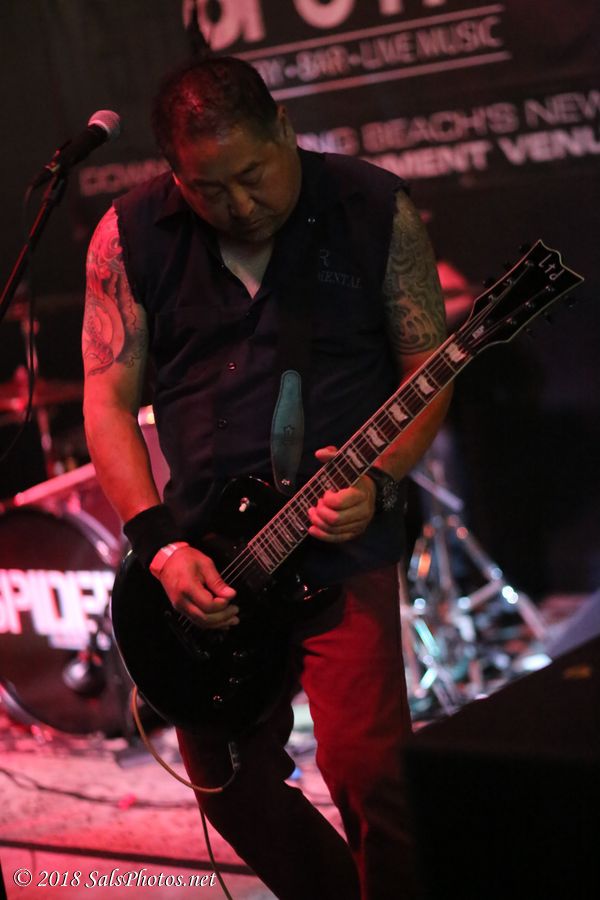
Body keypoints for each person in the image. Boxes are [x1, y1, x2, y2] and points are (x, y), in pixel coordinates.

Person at [82, 55, 451, 900]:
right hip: (208, 551)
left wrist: (380, 480)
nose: (240, 205)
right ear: (173, 173)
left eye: (253, 175)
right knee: (229, 788)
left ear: (283, 128)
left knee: (372, 777)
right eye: (209, 189)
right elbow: (107, 400)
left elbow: (429, 366)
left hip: (339, 540)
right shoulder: (127, 236)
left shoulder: (372, 207)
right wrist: (159, 546)